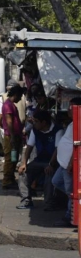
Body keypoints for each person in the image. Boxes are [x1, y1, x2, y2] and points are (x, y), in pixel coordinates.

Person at [16, 110, 62, 209]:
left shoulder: (57, 131)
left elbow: (57, 149)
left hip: (52, 162)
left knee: (49, 174)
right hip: (39, 160)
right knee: (23, 173)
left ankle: (49, 202)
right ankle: (26, 200)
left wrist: (51, 164)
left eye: (36, 121)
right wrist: (24, 163)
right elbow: (29, 147)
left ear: (44, 122)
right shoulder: (35, 130)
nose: (34, 123)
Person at [51, 97, 81, 227]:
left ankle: (70, 216)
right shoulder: (72, 123)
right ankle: (73, 203)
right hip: (63, 163)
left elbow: (78, 146)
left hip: (69, 164)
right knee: (56, 182)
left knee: (70, 190)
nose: (68, 110)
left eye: (71, 107)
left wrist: (71, 163)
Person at [1, 85, 24, 189]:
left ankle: (10, 178)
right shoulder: (8, 105)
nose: (20, 98)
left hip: (14, 135)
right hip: (10, 136)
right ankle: (6, 181)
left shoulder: (11, 105)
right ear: (16, 94)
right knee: (9, 158)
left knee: (13, 159)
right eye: (20, 96)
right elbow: (9, 121)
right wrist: (13, 136)